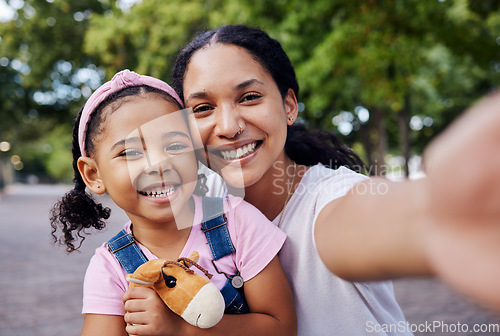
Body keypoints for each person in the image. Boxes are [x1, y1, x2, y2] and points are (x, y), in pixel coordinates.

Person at [122, 25, 413, 336]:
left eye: (249, 97)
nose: (229, 127)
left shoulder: (333, 198)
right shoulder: (200, 210)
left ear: (289, 106)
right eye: (203, 108)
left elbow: (363, 222)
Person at [50, 69, 296, 336]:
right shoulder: (111, 268)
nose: (159, 164)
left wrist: (181, 329)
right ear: (94, 175)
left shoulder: (237, 223)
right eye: (130, 152)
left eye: (176, 146)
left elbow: (281, 327)